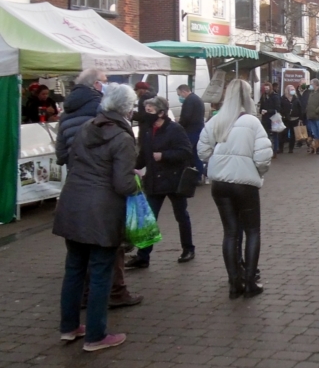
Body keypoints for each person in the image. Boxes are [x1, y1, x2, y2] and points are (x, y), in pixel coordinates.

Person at [53, 84, 139, 352]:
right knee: (101, 273)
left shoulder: (85, 128)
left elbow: (72, 161)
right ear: (126, 109)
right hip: (102, 213)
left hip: (73, 206)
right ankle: (96, 335)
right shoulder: (123, 138)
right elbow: (123, 184)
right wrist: (138, 181)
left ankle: (69, 327)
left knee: (75, 269)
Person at [198, 80, 272, 298]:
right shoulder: (252, 122)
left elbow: (202, 150)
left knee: (230, 232)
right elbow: (263, 155)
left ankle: (234, 282)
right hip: (244, 183)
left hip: (220, 184)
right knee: (252, 231)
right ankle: (250, 281)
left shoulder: (215, 121)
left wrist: (217, 161)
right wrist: (258, 171)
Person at [126, 97, 194, 268]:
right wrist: (133, 167)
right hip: (154, 182)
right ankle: (143, 257)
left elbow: (186, 151)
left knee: (181, 216)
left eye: (149, 111)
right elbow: (144, 154)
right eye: (145, 110)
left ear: (161, 113)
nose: (146, 114)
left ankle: (188, 249)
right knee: (148, 219)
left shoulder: (175, 129)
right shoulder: (148, 130)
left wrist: (164, 155)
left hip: (174, 181)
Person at [176, 84, 205, 179]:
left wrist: (179, 125)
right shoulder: (197, 99)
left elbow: (186, 117)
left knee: (188, 153)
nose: (180, 97)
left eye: (179, 94)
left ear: (184, 92)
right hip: (198, 129)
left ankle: (191, 176)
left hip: (191, 131)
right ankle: (200, 175)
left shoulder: (189, 101)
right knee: (196, 154)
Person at [258, 83, 281, 157]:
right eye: (265, 88)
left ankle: (275, 151)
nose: (266, 90)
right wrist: (261, 111)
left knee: (275, 135)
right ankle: (267, 151)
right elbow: (261, 106)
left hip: (273, 118)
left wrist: (268, 111)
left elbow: (277, 109)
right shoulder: (263, 96)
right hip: (265, 119)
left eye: (267, 88)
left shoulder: (275, 96)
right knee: (266, 135)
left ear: (270, 88)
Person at [280, 84, 302, 154]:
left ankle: (291, 148)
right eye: (291, 89)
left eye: (293, 89)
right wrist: (284, 114)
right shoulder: (283, 98)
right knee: (283, 133)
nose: (292, 91)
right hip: (285, 118)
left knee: (293, 134)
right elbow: (280, 107)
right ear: (287, 90)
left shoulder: (296, 98)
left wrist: (300, 118)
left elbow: (300, 108)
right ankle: (281, 148)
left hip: (295, 119)